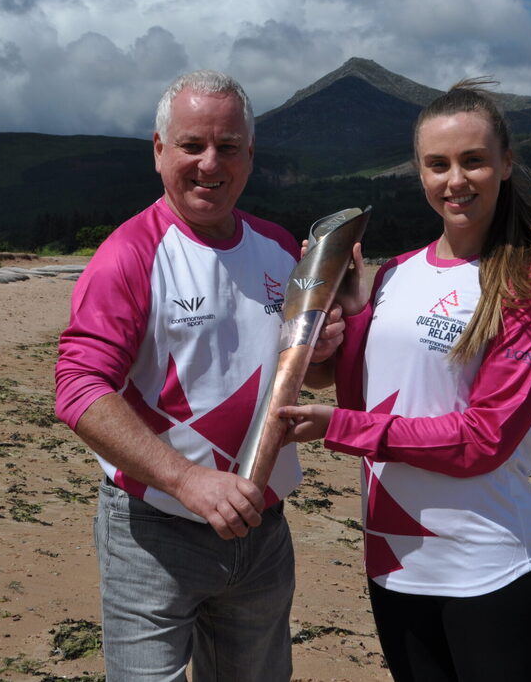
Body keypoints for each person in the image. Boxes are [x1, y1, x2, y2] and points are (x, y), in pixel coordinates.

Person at [282, 78, 531, 682]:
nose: (455, 180)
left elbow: (483, 441)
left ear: (505, 164)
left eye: (473, 160)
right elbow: (365, 404)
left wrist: (338, 425)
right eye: (438, 164)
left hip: (487, 565)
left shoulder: (528, 287)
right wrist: (352, 309)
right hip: (394, 560)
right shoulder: (395, 275)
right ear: (420, 172)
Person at [55, 69, 340, 681]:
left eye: (228, 146)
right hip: (155, 532)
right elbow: (78, 390)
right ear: (159, 151)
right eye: (192, 145)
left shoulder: (281, 248)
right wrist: (188, 481)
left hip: (263, 532)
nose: (210, 163)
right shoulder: (129, 254)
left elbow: (305, 378)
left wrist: (319, 358)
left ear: (250, 155)